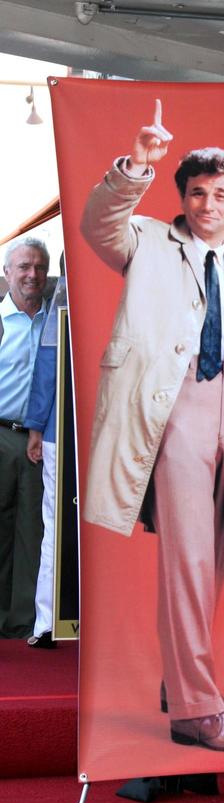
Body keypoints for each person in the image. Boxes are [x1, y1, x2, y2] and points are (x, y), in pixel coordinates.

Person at [80, 100, 224, 753]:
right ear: (183, 196)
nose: (207, 204)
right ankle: (194, 710)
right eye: (196, 192)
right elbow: (96, 223)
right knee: (189, 562)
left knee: (213, 559)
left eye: (220, 194)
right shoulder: (146, 241)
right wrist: (137, 163)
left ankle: (185, 682)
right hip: (175, 413)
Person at [0, 237, 49, 639]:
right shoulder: (0, 321)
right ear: (7, 273)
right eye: (23, 267)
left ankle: (20, 623)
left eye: (38, 267)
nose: (32, 275)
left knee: (31, 532)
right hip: (0, 435)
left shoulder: (57, 319)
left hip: (39, 441)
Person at [24, 275, 68, 649]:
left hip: (60, 428)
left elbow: (47, 367)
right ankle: (47, 619)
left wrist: (37, 426)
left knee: (55, 524)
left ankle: (47, 621)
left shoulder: (65, 298)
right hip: (79, 430)